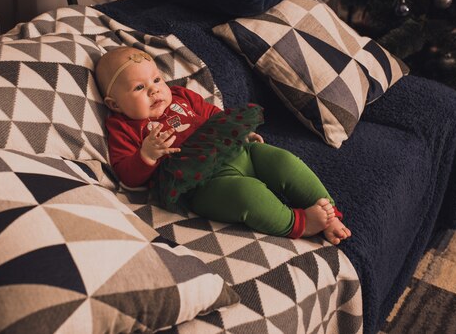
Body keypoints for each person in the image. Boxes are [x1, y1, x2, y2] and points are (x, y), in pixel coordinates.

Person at [95, 46, 352, 244]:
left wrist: (239, 133)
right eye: (140, 87)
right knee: (247, 194)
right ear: (114, 104)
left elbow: (215, 117)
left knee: (284, 161)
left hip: (239, 151)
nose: (154, 91)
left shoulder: (183, 96)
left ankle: (329, 213)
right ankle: (299, 223)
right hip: (203, 182)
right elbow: (126, 174)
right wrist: (146, 155)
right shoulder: (123, 127)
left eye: (157, 80)